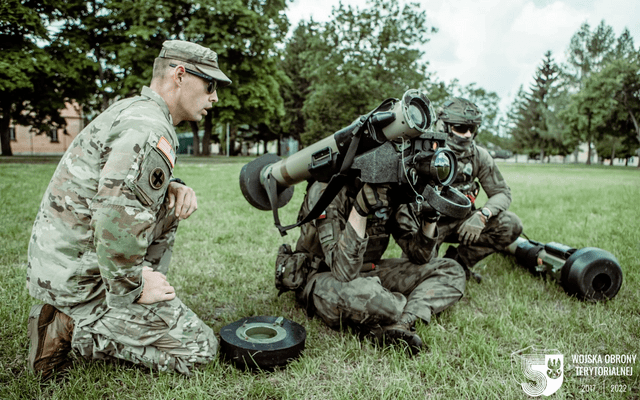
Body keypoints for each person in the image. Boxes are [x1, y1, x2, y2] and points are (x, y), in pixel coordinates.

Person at [26, 40, 231, 380]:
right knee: (200, 351)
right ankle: (71, 326)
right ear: (180, 75)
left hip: (67, 263)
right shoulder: (148, 127)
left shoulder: (137, 112)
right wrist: (132, 286)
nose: (215, 97)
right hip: (78, 281)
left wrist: (172, 185)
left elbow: (116, 187)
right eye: (210, 85)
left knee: (168, 201)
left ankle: (120, 306)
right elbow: (115, 217)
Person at [279, 178, 467, 354]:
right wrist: (360, 208)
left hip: (369, 270)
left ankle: (402, 323)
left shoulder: (391, 185)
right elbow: (343, 271)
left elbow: (421, 257)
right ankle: (389, 311)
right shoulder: (326, 189)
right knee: (377, 300)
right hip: (325, 276)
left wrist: (430, 217)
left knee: (452, 271)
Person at [433, 97, 523, 282]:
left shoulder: (479, 155)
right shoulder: (428, 152)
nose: (467, 134)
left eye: (472, 129)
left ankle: (458, 262)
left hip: (464, 221)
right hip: (430, 224)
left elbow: (501, 192)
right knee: (421, 276)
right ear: (444, 127)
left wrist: (482, 215)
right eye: (460, 128)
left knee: (510, 225)